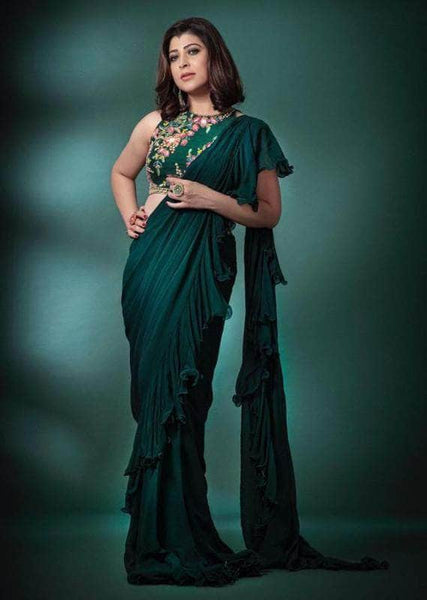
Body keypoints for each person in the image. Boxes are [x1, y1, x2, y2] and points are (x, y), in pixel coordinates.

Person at [110, 16, 390, 587]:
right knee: (152, 394)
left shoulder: (250, 133)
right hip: (148, 272)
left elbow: (267, 214)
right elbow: (121, 172)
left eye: (193, 51)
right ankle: (154, 538)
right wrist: (130, 215)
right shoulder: (155, 124)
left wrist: (209, 196)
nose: (182, 63)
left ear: (216, 58)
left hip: (202, 273)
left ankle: (180, 537)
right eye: (173, 55)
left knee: (185, 394)